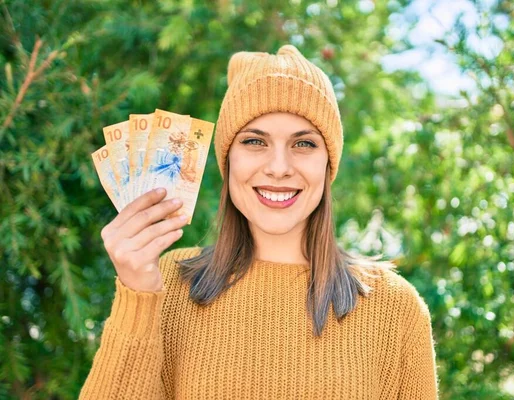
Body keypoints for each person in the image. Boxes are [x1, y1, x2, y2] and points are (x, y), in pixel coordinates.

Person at [79, 44, 438, 399]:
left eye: (304, 144)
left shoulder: (396, 308)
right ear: (228, 160)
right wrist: (138, 295)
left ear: (329, 164)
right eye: (255, 141)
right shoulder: (167, 283)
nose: (279, 167)